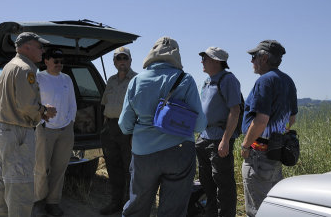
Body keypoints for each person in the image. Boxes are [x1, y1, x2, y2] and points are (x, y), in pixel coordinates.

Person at [119, 37, 207, 217]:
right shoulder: (186, 80)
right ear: (176, 55)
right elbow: (199, 124)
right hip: (179, 152)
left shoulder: (137, 80)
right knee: (173, 211)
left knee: (137, 207)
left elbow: (124, 125)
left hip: (143, 153)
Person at [0, 32, 57, 217]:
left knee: (4, 183)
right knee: (20, 187)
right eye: (39, 46)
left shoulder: (8, 66)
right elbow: (27, 106)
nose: (42, 51)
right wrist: (44, 111)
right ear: (26, 47)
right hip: (18, 131)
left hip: (4, 129)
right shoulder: (25, 69)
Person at [241, 40, 298, 217]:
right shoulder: (288, 81)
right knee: (272, 207)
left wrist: (245, 145)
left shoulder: (265, 81)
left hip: (258, 154)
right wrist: (278, 132)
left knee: (257, 210)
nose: (251, 61)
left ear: (264, 58)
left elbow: (261, 121)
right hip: (275, 152)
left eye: (254, 57)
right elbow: (292, 118)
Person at [195, 47, 241, 217]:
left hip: (218, 139)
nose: (202, 61)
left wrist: (225, 140)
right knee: (207, 182)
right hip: (205, 137)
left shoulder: (228, 80)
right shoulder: (208, 81)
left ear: (215, 61)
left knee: (223, 184)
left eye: (205, 58)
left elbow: (235, 111)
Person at [33, 48, 77, 217]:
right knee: (41, 168)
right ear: (46, 61)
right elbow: (33, 102)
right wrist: (42, 119)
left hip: (65, 130)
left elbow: (72, 103)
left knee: (59, 169)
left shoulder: (66, 79)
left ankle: (53, 202)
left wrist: (71, 122)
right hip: (45, 130)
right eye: (55, 61)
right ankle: (38, 202)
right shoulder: (38, 78)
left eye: (61, 61)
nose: (59, 64)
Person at [99, 46, 137, 215]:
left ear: (130, 60)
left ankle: (128, 205)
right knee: (113, 167)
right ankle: (115, 202)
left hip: (128, 129)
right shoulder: (111, 80)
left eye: (125, 58)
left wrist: (134, 133)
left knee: (129, 168)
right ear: (114, 62)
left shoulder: (137, 79)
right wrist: (105, 127)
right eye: (118, 59)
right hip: (110, 128)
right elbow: (104, 104)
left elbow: (139, 109)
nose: (122, 61)